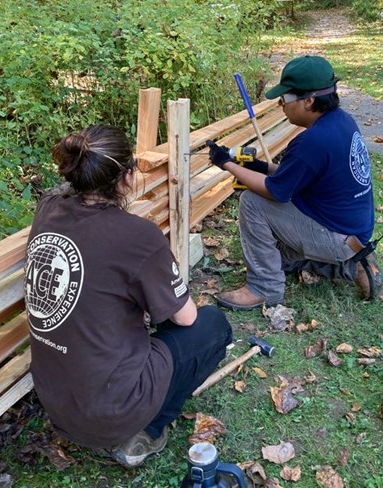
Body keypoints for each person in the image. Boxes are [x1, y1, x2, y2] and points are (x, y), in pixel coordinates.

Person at [23, 124, 232, 468]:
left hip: (56, 397)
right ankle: (146, 430)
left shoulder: (48, 206)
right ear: (128, 177)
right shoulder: (138, 235)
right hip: (107, 412)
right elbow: (185, 318)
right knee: (211, 325)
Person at [207, 55, 381, 310]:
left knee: (252, 201)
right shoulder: (341, 122)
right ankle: (352, 266)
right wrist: (260, 166)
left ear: (309, 101)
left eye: (285, 98)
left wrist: (226, 163)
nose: (280, 104)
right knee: (281, 258)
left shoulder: (313, 142)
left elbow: (275, 191)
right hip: (351, 229)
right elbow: (301, 175)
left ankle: (264, 288)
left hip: (336, 235)